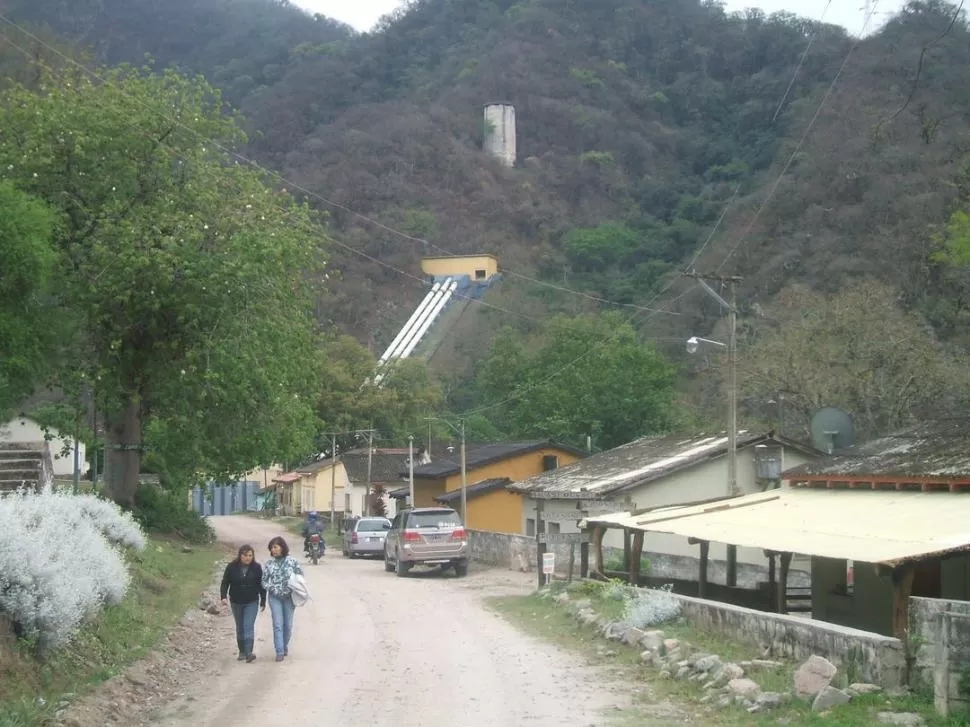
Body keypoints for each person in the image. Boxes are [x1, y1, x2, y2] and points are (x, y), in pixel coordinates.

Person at [220, 544, 266, 663]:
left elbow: (261, 584)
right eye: (245, 555)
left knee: (248, 626)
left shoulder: (256, 567)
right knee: (240, 626)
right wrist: (223, 596)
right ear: (240, 555)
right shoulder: (231, 567)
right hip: (236, 601)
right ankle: (241, 651)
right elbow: (225, 582)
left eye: (250, 555)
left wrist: (263, 599)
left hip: (252, 601)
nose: (247, 558)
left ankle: (249, 653)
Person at [262, 536, 304, 662]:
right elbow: (264, 581)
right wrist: (272, 588)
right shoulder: (269, 564)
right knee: (277, 624)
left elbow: (300, 575)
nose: (274, 550)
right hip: (275, 597)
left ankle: (284, 645)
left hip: (289, 597)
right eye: (271, 548)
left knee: (288, 625)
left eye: (276, 547)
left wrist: (294, 586)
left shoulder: (292, 561)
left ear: (282, 547)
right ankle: (279, 651)